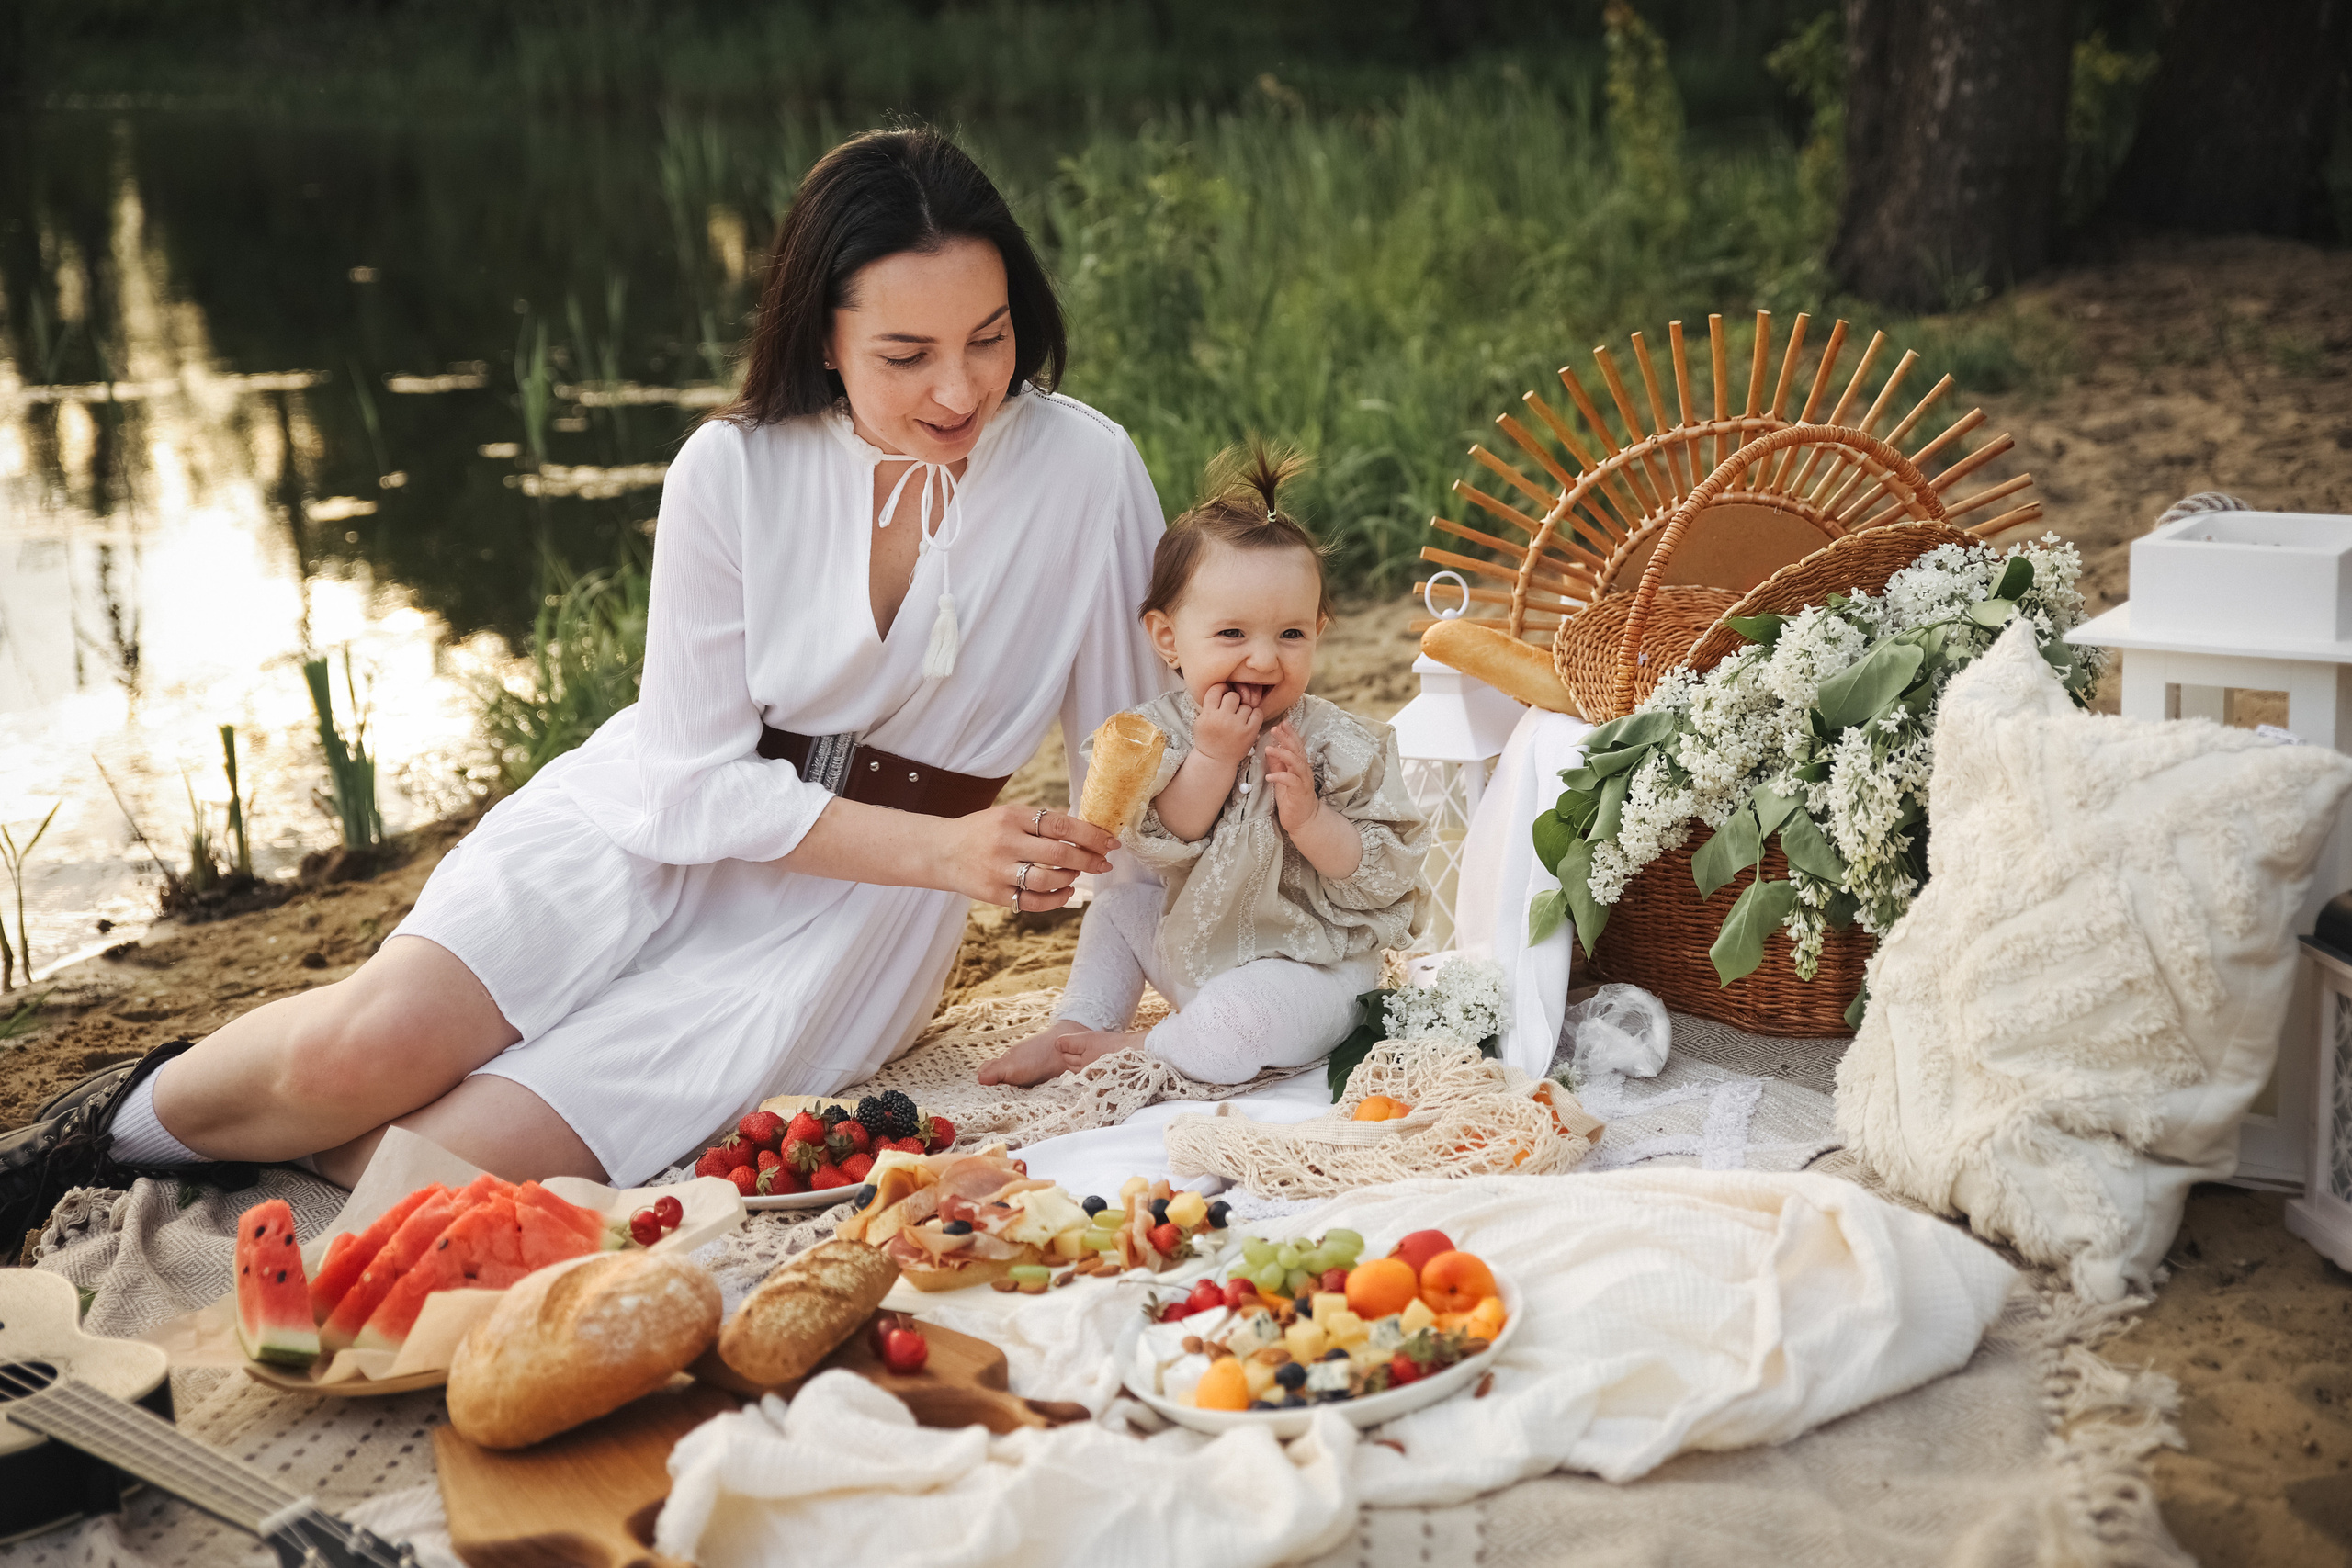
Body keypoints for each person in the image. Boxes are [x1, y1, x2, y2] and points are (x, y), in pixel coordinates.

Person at [1, 128, 1169, 1234]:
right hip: (645, 831)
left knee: (440, 1171)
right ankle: (103, 1127)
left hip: (845, 924)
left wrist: (1087, 1015)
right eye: (905, 356)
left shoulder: (1086, 470)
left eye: (989, 336)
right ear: (821, 336)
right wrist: (947, 854)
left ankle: (275, 1140)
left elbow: (1136, 772)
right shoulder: (735, 469)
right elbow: (689, 788)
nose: (960, 391)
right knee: (356, 1056)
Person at [977, 446, 1430, 1089]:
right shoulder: (1159, 733)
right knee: (1116, 909)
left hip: (1310, 969)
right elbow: (1169, 834)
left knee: (1244, 1018)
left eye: (1292, 635)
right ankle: (1077, 1023)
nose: (1265, 660)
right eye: (1232, 635)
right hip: (1197, 949)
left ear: (1320, 629)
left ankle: (1151, 1045)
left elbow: (1380, 870)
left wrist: (1311, 819)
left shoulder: (1338, 744)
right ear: (1169, 640)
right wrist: (1213, 755)